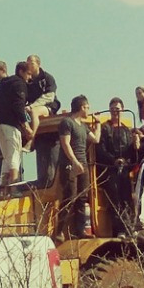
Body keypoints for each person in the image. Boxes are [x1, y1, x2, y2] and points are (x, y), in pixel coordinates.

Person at [56, 95, 101, 240]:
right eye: (87, 107)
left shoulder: (83, 126)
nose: (88, 110)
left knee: (82, 197)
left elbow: (96, 139)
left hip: (83, 164)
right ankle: (59, 231)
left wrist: (98, 123)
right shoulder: (67, 122)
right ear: (82, 107)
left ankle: (80, 231)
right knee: (70, 196)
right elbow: (65, 144)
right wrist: (74, 161)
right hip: (70, 164)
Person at [96, 97, 141, 237]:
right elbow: (101, 150)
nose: (115, 111)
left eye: (117, 109)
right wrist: (114, 160)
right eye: (112, 109)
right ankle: (119, 230)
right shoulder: (105, 128)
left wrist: (135, 146)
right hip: (110, 169)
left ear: (122, 110)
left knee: (127, 198)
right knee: (115, 199)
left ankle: (129, 228)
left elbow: (132, 152)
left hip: (125, 169)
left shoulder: (127, 130)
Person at [0, 61, 34, 190]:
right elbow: (18, 106)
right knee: (15, 155)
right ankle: (14, 188)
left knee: (7, 157)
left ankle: (3, 188)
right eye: (28, 74)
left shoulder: (4, 84)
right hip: (11, 124)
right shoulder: (19, 84)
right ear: (21, 72)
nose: (30, 77)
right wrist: (26, 126)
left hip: (0, 124)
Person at [24, 55, 60, 151]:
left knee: (34, 112)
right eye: (27, 63)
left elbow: (49, 96)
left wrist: (32, 106)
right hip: (31, 107)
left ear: (38, 64)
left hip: (49, 105)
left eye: (31, 63)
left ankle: (31, 141)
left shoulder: (47, 78)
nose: (29, 65)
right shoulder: (27, 80)